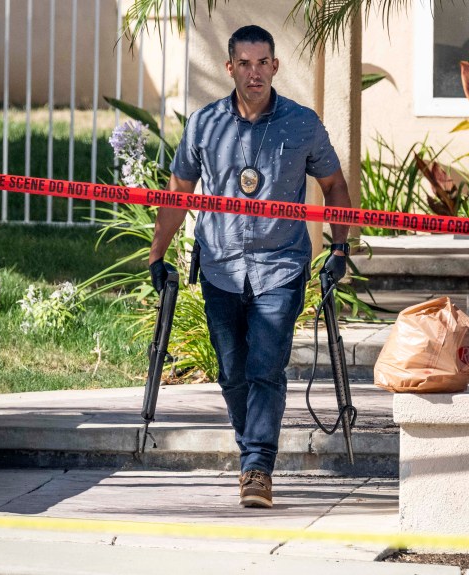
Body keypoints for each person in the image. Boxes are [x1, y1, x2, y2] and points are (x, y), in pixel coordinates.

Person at [147, 24, 351, 509]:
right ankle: (252, 451)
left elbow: (336, 187)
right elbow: (178, 195)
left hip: (280, 264)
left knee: (265, 366)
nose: (254, 72)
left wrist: (339, 249)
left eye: (263, 63)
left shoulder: (302, 124)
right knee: (232, 371)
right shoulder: (204, 124)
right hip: (219, 265)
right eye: (245, 63)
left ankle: (257, 465)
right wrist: (156, 253)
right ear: (230, 67)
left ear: (275, 67)